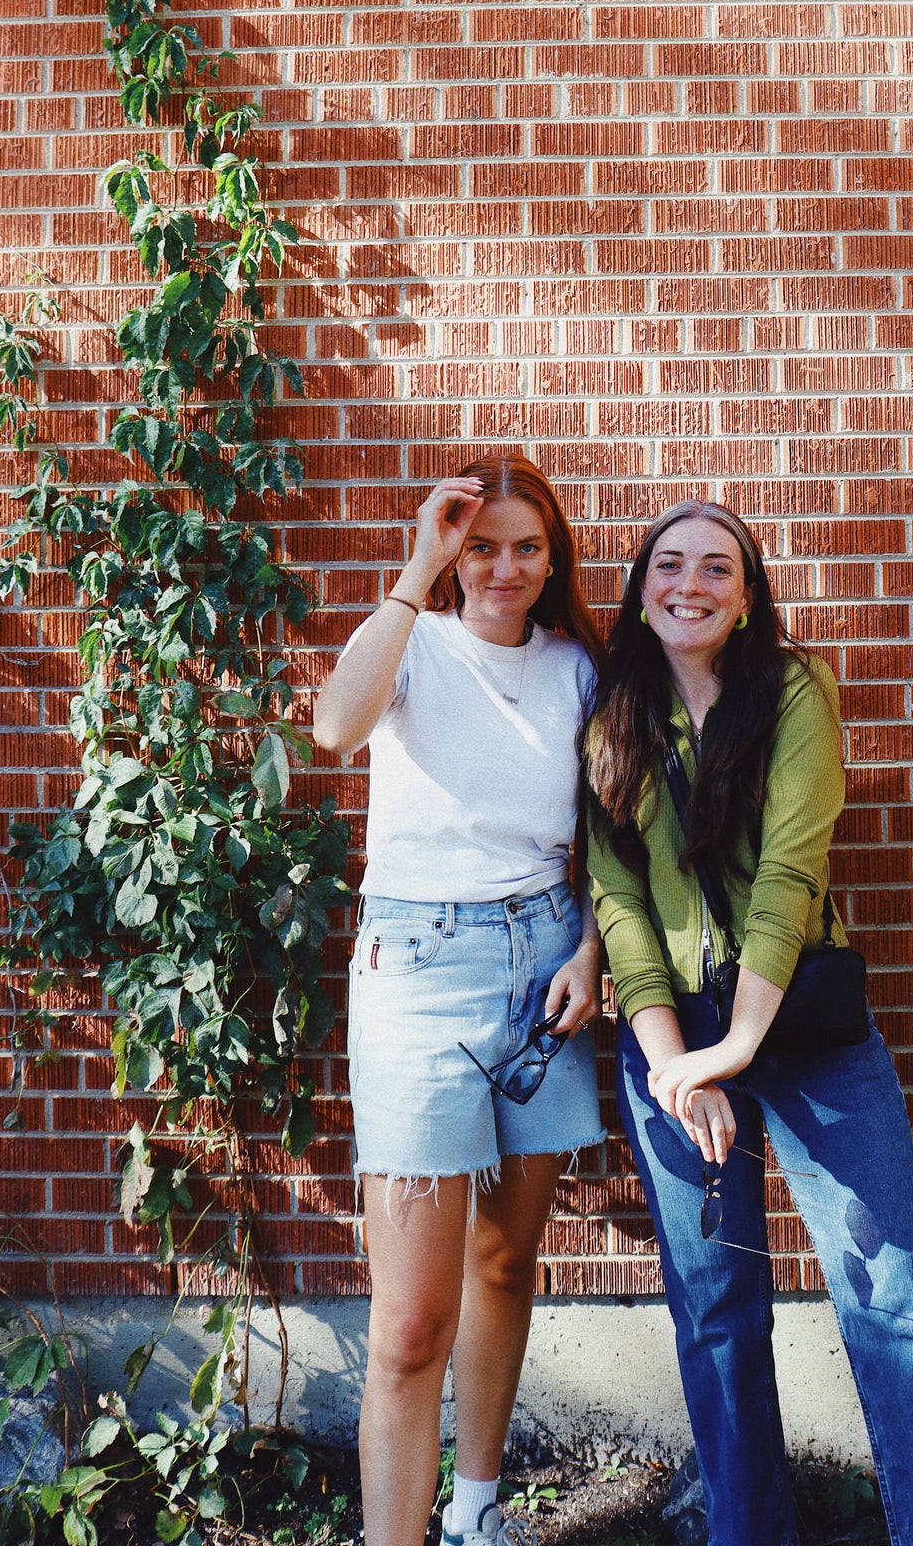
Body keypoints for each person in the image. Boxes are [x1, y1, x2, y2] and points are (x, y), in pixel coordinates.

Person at [584, 500, 913, 1546]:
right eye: (669, 563)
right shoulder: (609, 719)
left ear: (745, 596)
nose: (689, 582)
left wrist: (734, 1045)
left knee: (897, 1304)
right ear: (642, 588)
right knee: (716, 1313)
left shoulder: (793, 691)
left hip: (800, 1021)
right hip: (671, 1038)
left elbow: (789, 874)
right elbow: (617, 903)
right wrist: (672, 1067)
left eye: (717, 568)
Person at [313, 456, 606, 1546]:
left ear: (552, 555)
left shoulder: (577, 666)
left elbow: (607, 839)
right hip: (418, 971)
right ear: (450, 546)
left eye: (526, 545)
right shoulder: (414, 644)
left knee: (503, 1259)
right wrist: (415, 565)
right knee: (409, 1319)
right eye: (481, 543)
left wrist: (592, 948)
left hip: (541, 967)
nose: (505, 567)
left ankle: (478, 1513)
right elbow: (335, 726)